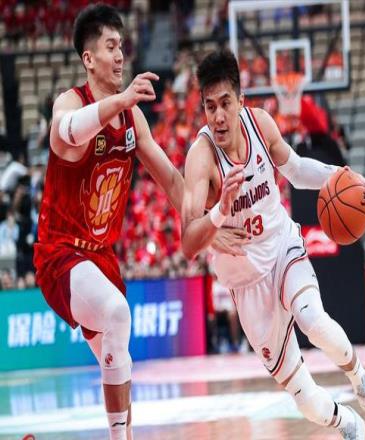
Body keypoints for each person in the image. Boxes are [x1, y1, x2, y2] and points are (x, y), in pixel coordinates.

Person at [33, 6, 245, 440]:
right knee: (117, 313)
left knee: (119, 366)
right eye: (110, 46)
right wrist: (121, 99)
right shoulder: (71, 102)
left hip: (100, 259)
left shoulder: (132, 118)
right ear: (88, 58)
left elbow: (172, 180)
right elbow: (67, 133)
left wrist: (207, 226)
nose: (119, 55)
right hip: (60, 253)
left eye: (121, 46)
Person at [181, 49, 365, 440]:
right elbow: (187, 241)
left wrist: (341, 176)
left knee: (313, 319)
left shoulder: (260, 124)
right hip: (246, 281)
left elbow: (297, 170)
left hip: (282, 246)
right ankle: (347, 423)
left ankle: (363, 383)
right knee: (304, 398)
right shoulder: (201, 157)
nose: (218, 116)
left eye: (225, 103)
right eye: (210, 106)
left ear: (240, 101)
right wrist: (219, 213)